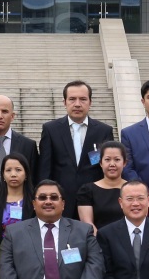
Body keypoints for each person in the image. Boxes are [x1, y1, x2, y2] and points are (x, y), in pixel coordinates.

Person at [38, 80, 114, 219]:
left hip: (94, 200)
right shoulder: (51, 129)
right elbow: (45, 168)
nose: (77, 104)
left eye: (83, 99)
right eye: (72, 99)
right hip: (60, 200)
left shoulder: (104, 131)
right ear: (64, 102)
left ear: (90, 102)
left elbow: (107, 168)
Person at [76, 141, 128, 231]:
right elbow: (87, 223)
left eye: (117, 159)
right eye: (107, 159)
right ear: (100, 163)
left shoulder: (134, 189)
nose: (112, 164)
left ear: (124, 163)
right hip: (98, 242)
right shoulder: (87, 190)